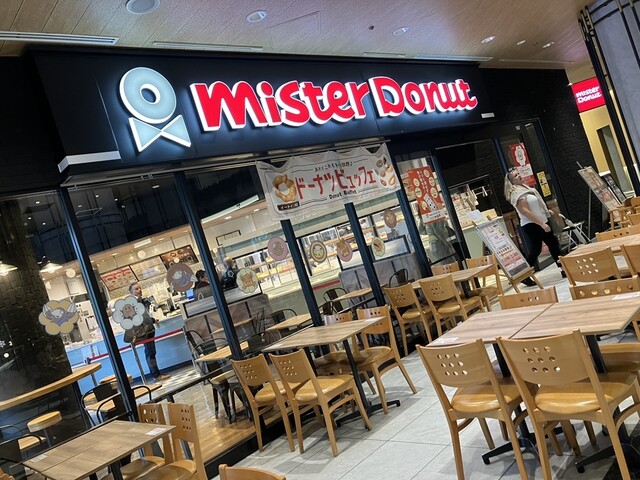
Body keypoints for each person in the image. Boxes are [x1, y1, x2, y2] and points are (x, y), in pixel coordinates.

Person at [504, 168, 565, 286]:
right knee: (536, 250)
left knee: (553, 245)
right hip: (532, 224)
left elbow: (534, 205)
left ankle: (563, 269)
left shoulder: (525, 188)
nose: (519, 176)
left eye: (519, 174)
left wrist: (546, 211)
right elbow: (525, 211)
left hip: (541, 221)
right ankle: (523, 275)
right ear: (512, 181)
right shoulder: (517, 193)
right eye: (516, 175)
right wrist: (541, 224)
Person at [124, 282, 170, 381]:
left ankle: (156, 373)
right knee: (150, 353)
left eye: (140, 288)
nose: (139, 290)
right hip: (144, 332)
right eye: (136, 289)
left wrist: (152, 320)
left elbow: (144, 316)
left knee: (152, 352)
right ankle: (155, 375)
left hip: (148, 330)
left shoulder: (140, 301)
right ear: (131, 292)